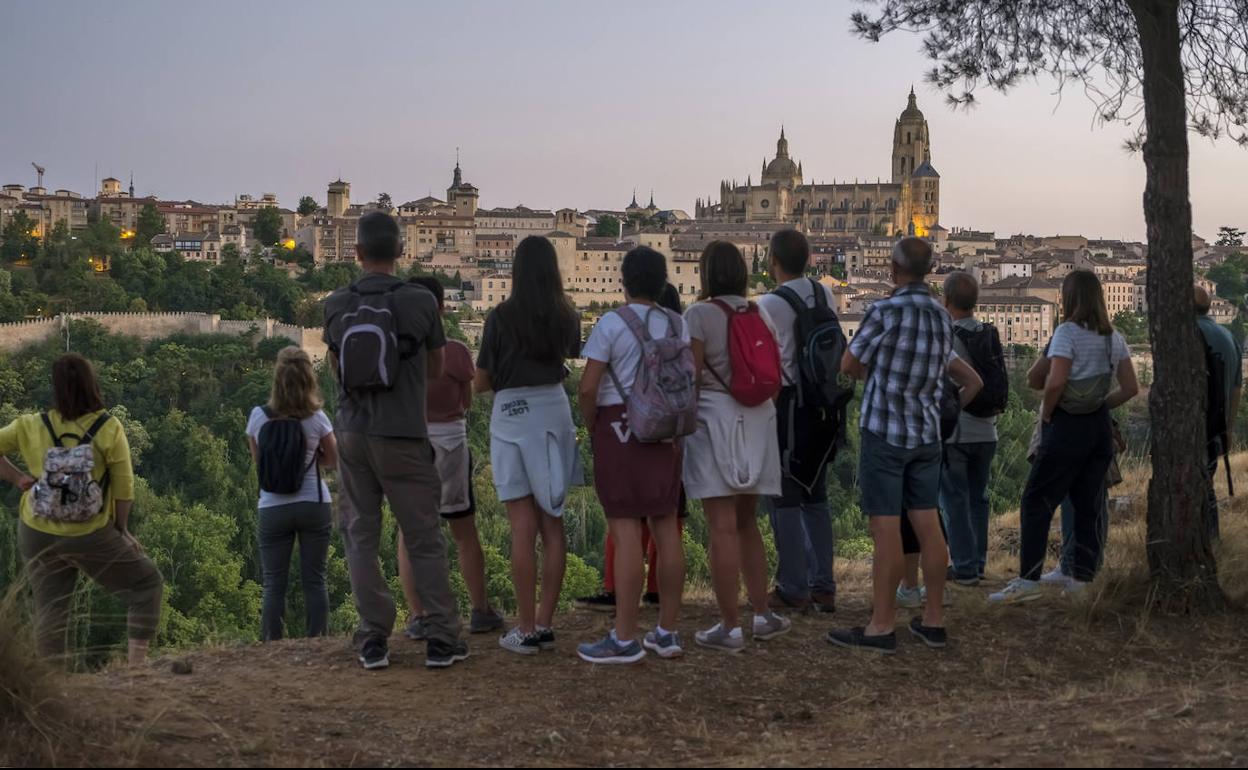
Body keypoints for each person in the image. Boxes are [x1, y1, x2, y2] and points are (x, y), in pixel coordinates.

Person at [323, 211, 467, 670]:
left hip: (351, 432)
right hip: (403, 432)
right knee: (423, 536)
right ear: (401, 252)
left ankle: (372, 638)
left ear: (358, 253)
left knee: (360, 536)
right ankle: (442, 637)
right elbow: (435, 369)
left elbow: (335, 367)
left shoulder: (336, 304)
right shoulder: (420, 302)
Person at [828, 237, 982, 655]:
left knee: (885, 530)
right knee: (928, 524)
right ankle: (933, 619)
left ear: (893, 271)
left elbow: (849, 365)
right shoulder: (939, 314)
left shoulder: (883, 311)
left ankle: (881, 626)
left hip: (885, 431)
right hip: (928, 434)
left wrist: (875, 369)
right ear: (931, 271)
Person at [0, 354, 163, 667]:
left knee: (51, 611)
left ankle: (52, 690)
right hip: (89, 533)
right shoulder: (108, 428)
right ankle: (137, 669)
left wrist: (18, 477)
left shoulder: (31, 425)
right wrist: (122, 529)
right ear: (93, 384)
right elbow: (124, 488)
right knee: (146, 583)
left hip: (37, 531)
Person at [990, 270, 1139, 604]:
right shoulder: (1113, 336)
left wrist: (1047, 412)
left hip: (1066, 428)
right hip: (1098, 432)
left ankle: (1028, 582)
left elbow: (1054, 381)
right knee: (1087, 506)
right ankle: (1081, 580)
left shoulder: (1067, 332)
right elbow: (1131, 387)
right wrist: (1101, 404)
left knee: (1035, 502)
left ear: (1068, 299)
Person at [576, 248, 687, 664]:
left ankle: (624, 637)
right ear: (662, 282)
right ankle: (667, 632)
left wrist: (591, 425)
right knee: (666, 528)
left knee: (625, 532)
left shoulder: (611, 323)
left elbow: (588, 388)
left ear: (624, 280)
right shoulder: (677, 322)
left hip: (619, 427)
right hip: (666, 432)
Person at [476, 235, 582, 656]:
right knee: (553, 523)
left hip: (511, 414)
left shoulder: (500, 317)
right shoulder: (567, 315)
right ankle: (545, 621)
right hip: (554, 410)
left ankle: (524, 628)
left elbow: (482, 381)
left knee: (522, 527)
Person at [683, 240, 790, 653]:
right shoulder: (759, 310)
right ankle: (761, 614)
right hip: (760, 418)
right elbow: (775, 372)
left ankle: (729, 626)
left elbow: (690, 377)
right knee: (748, 523)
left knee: (721, 526)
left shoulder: (698, 314)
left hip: (715, 420)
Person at [397, 277, 504, 641]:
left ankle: (419, 616)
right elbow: (467, 402)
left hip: (410, 443)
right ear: (441, 307)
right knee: (464, 531)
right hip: (451, 444)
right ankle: (480, 610)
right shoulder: (456, 351)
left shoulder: (399, 352)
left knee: (410, 535)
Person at [755, 229, 840, 614]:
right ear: (808, 259)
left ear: (772, 261)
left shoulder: (768, 304)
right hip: (824, 407)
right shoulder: (827, 294)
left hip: (787, 407)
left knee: (784, 498)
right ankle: (824, 585)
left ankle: (793, 587)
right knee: (816, 496)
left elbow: (763, 361)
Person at [245, 346, 336, 641]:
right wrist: (311, 458)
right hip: (313, 502)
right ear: (309, 378)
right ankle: (317, 641)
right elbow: (333, 459)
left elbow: (259, 462)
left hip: (273, 506)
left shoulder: (258, 417)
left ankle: (272, 646)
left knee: (273, 583)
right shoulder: (317, 418)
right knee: (315, 580)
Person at [938, 271, 999, 587]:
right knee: (979, 499)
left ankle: (962, 567)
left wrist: (951, 412)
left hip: (957, 433)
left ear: (945, 300)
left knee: (954, 501)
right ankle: (976, 564)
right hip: (988, 431)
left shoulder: (946, 336)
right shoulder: (989, 333)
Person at [1196, 284, 1242, 540]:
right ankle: (1211, 541)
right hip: (1217, 426)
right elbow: (1236, 389)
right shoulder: (1228, 337)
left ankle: (1205, 542)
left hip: (1195, 426)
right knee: (1206, 485)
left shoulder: (1186, 333)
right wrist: (1229, 428)